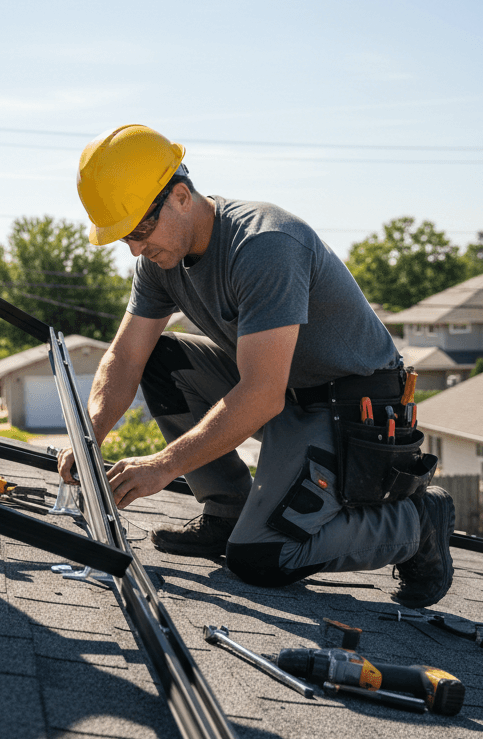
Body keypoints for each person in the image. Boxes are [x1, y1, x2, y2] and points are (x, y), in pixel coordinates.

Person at [58, 124, 454, 609]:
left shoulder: (265, 245)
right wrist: (90, 432)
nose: (137, 249)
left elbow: (261, 394)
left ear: (180, 196)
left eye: (139, 230)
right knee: (161, 359)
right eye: (125, 239)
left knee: (263, 557)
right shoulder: (161, 263)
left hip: (353, 407)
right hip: (285, 392)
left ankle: (417, 524)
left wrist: (165, 466)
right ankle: (227, 511)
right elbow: (125, 358)